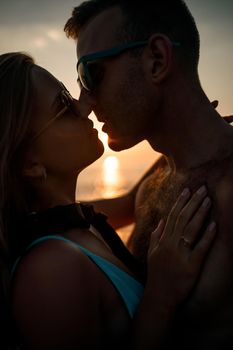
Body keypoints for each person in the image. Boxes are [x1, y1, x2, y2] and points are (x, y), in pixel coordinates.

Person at [0, 52, 216, 350]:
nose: (86, 105)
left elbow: (131, 203)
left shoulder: (78, 222)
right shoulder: (49, 272)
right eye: (63, 104)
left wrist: (184, 132)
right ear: (30, 164)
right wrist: (161, 295)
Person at [64, 0, 233, 348]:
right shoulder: (167, 169)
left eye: (90, 74)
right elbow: (119, 206)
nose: (84, 102)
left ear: (156, 58)